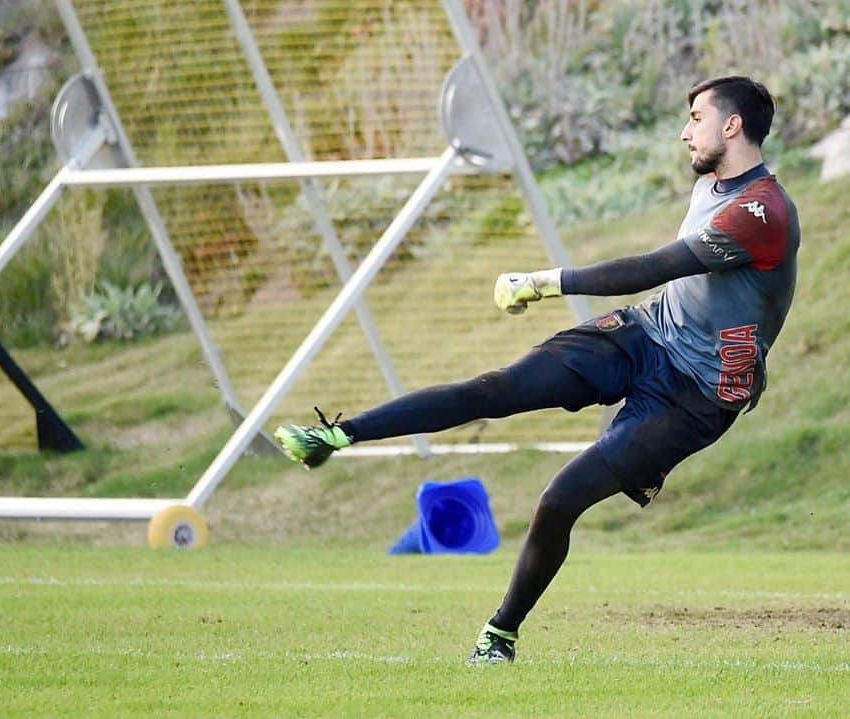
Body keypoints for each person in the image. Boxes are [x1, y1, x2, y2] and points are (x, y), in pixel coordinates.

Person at [274, 76, 799, 665]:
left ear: (732, 126)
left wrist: (542, 282)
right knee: (496, 389)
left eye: (697, 118)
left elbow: (654, 267)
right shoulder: (711, 182)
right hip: (645, 336)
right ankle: (339, 433)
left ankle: (500, 633)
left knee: (557, 500)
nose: (685, 131)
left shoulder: (763, 212)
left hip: (694, 398)